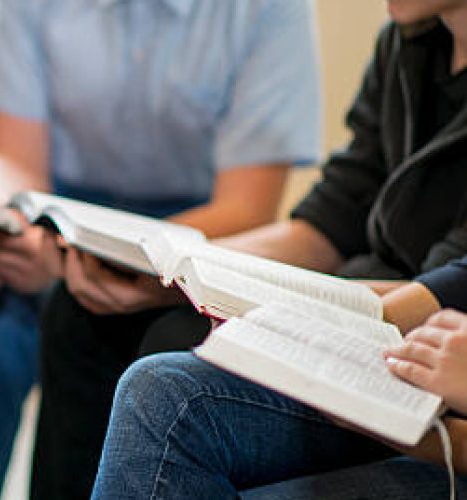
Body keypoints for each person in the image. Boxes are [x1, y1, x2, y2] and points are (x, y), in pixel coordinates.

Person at [0, 1, 322, 498]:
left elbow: (247, 209)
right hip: (57, 209)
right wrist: (18, 222)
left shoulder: (268, 9)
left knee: (149, 350)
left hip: (198, 232)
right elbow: (11, 156)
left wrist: (79, 254)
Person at [87, 0, 467, 496]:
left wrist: (302, 324)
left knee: (167, 396)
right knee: (99, 319)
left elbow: (438, 292)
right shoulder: (408, 41)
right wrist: (183, 268)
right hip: (393, 322)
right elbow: (330, 218)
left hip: (415, 357)